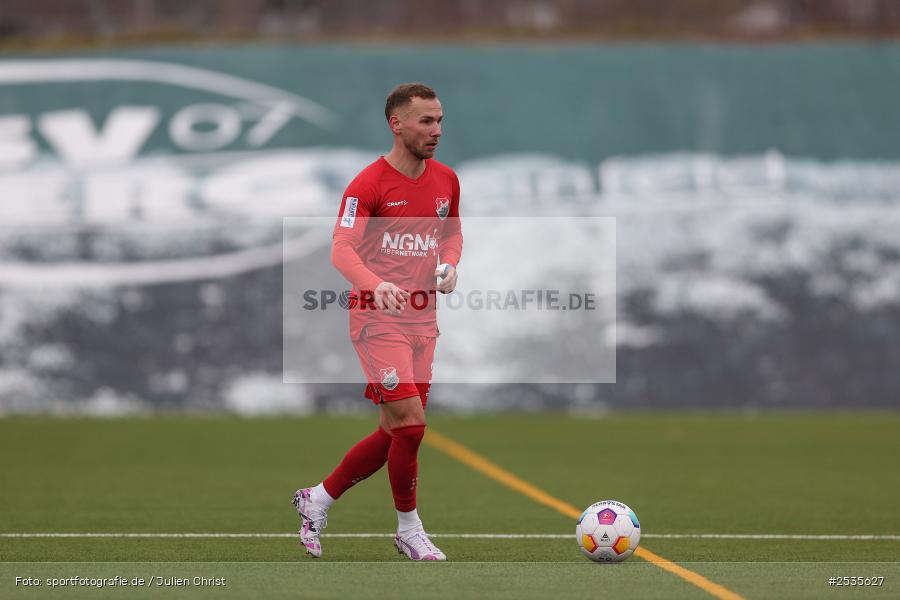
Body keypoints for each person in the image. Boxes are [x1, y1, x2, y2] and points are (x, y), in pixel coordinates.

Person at [293, 83, 463, 561]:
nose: (437, 130)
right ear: (397, 124)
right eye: (426, 121)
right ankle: (409, 529)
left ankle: (317, 498)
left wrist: (449, 264)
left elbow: (452, 235)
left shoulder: (447, 180)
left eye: (440, 120)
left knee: (394, 429)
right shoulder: (367, 184)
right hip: (377, 320)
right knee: (411, 425)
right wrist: (374, 284)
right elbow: (341, 248)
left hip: (423, 320)